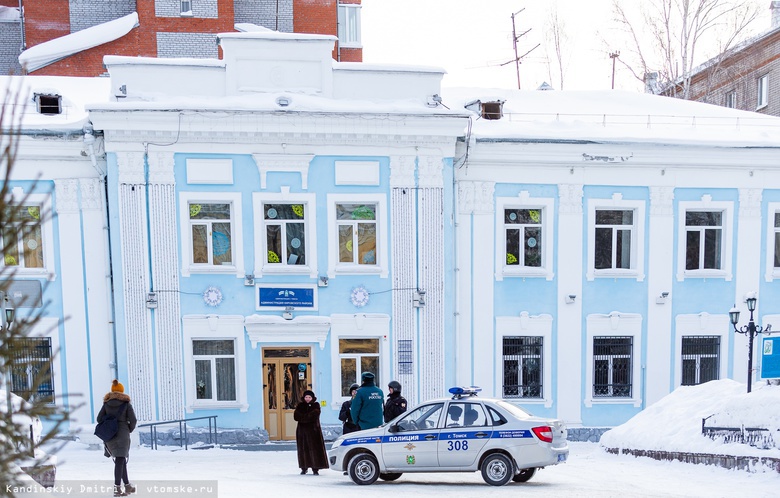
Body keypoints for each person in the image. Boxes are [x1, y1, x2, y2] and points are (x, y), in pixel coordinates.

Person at [97, 379, 137, 497]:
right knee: (120, 460)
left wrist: (109, 422)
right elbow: (133, 420)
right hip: (123, 434)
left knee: (121, 459)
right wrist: (128, 428)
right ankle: (117, 488)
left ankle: (127, 485)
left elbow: (99, 419)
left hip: (110, 435)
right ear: (122, 391)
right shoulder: (126, 404)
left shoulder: (106, 404)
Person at [293, 390, 329, 475]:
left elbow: (314, 415)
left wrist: (304, 417)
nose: (308, 399)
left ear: (312, 398)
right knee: (303, 449)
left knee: (314, 449)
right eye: (306, 397)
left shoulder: (316, 405)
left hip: (313, 431)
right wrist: (306, 417)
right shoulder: (300, 405)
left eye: (309, 397)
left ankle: (315, 468)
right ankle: (304, 467)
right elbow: (296, 416)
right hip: (302, 432)